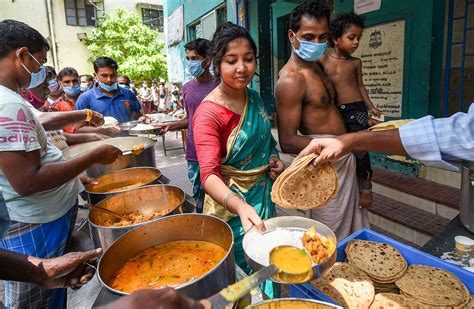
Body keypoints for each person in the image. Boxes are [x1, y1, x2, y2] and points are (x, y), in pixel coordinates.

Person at [0, 19, 122, 307]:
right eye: (39, 62)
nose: (40, 72)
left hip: (42, 218)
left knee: (53, 287)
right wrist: (92, 156)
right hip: (34, 224)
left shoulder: (12, 99)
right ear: (21, 55)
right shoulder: (8, 104)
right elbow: (28, 181)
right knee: (34, 299)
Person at [193, 22, 284, 297]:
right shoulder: (209, 114)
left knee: (267, 265)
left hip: (263, 197)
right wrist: (239, 206)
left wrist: (274, 157)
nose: (242, 68)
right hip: (230, 208)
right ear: (216, 64)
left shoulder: (255, 98)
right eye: (232, 61)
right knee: (238, 284)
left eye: (249, 59)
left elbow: (266, 140)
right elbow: (208, 176)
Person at [275, 0, 369, 240]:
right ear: (291, 36)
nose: (316, 44)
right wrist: (331, 143)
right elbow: (287, 141)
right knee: (327, 237)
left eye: (322, 37)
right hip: (325, 165)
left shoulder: (318, 67)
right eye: (308, 37)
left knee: (350, 231)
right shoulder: (291, 80)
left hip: (344, 158)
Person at [319, 12, 382, 208]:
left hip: (357, 109)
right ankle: (342, 189)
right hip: (336, 111)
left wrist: (370, 107)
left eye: (358, 38)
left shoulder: (355, 63)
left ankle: (366, 187)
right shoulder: (322, 61)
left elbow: (361, 86)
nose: (356, 42)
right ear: (336, 39)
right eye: (351, 37)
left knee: (361, 149)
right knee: (341, 151)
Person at [297, 105, 474, 170]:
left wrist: (350, 141)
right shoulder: (292, 80)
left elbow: (464, 135)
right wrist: (349, 141)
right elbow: (463, 134)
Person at [154, 39, 219, 213]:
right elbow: (191, 118)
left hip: (218, 150)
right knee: (199, 194)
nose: (190, 63)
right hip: (194, 151)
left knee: (219, 195)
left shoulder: (220, 85)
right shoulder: (187, 87)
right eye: (188, 58)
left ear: (207, 60)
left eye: (195, 58)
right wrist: (170, 126)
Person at [75, 57, 143, 123]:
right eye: (104, 76)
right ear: (95, 75)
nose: (109, 80)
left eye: (113, 75)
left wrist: (141, 118)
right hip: (100, 135)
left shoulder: (128, 94)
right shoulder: (85, 99)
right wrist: (105, 130)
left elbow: (137, 115)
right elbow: (80, 128)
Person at [51, 67, 82, 133]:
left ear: (79, 81)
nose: (72, 85)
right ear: (60, 83)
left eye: (74, 81)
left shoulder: (88, 98)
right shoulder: (55, 106)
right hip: (71, 142)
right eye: (67, 82)